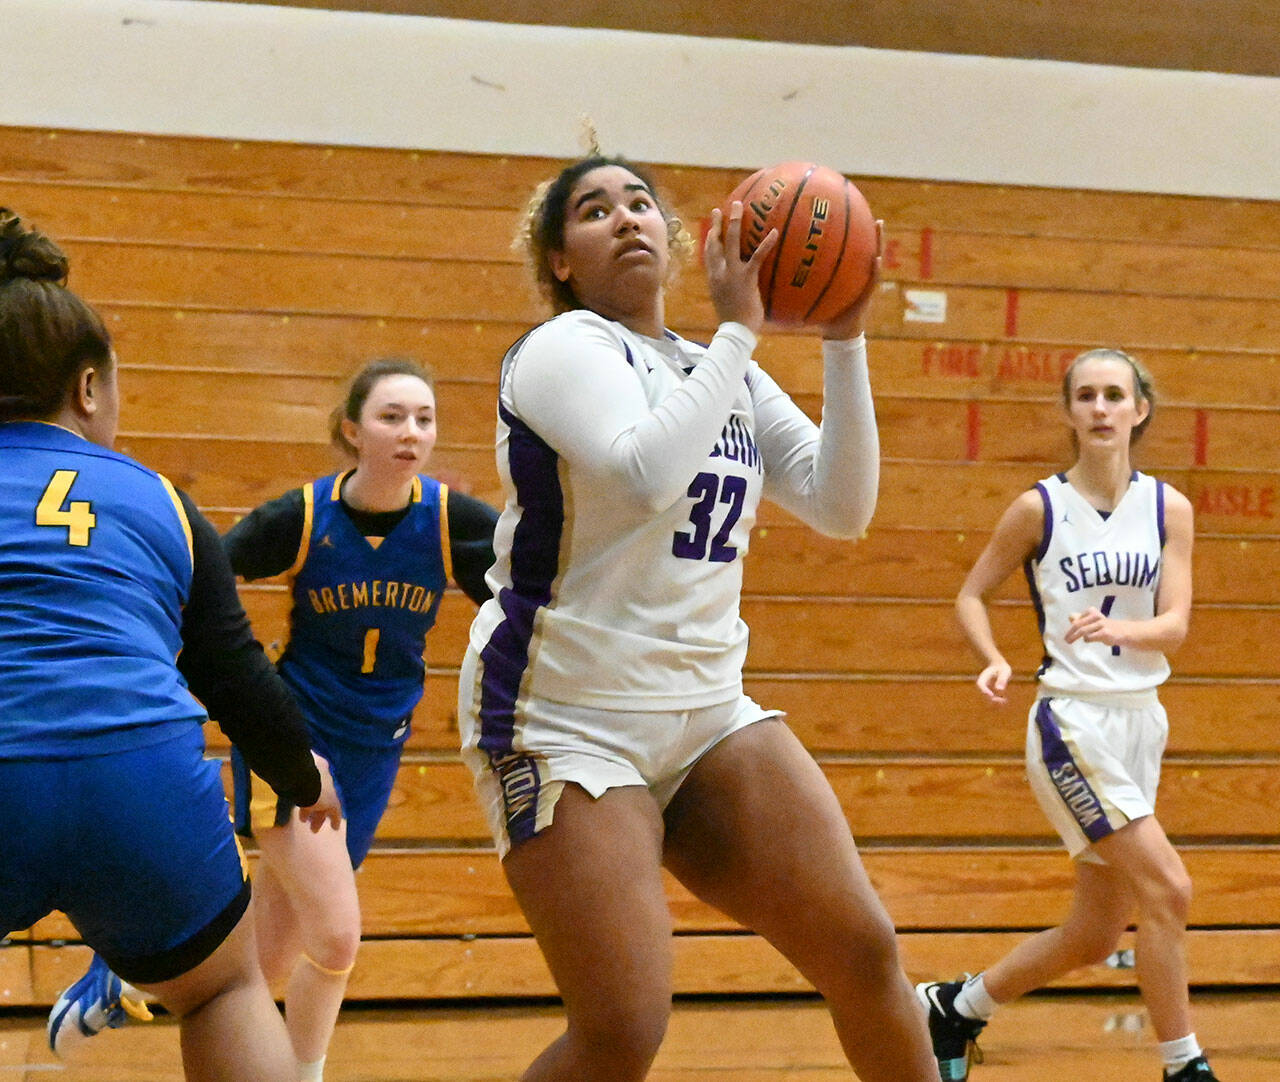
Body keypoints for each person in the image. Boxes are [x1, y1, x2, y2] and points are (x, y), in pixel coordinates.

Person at [457, 152, 939, 1082]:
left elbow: (844, 505)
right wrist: (739, 336)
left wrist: (844, 338)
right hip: (565, 716)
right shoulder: (563, 350)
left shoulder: (719, 368)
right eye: (594, 211)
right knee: (624, 1025)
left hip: (705, 711)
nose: (626, 218)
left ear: (682, 242)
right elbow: (643, 474)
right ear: (559, 260)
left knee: (866, 952)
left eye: (641, 202)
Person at [55, 357, 499, 1082]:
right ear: (352, 430)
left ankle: (125, 981)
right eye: (391, 416)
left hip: (378, 750)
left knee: (260, 965)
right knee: (337, 936)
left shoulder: (452, 522)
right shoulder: (303, 516)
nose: (411, 432)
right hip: (297, 744)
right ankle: (306, 1073)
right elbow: (199, 583)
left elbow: (529, 599)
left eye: (424, 418)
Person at [0, 207, 341, 1082]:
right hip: (138, 776)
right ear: (86, 391)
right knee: (224, 991)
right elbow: (235, 677)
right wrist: (302, 773)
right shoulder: (159, 502)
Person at [915, 348, 1216, 1082]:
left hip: (1140, 718)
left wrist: (1121, 632)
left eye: (1116, 395)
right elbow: (969, 594)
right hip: (1070, 723)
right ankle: (1186, 1066)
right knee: (1169, 888)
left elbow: (1174, 625)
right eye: (1087, 396)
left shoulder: (1168, 507)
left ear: (1140, 409)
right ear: (1070, 412)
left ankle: (955, 1007)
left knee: (1093, 932)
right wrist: (991, 656)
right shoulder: (1038, 507)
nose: (1102, 408)